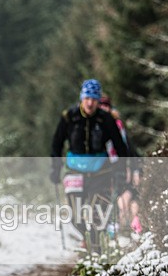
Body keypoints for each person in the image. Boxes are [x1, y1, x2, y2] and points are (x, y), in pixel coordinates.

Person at [50, 79, 129, 252]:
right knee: (76, 216)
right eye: (87, 98)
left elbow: (120, 147)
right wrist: (55, 167)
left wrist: (121, 171)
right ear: (82, 98)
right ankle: (88, 238)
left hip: (100, 172)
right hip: (74, 171)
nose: (90, 102)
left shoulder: (106, 119)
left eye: (94, 99)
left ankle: (95, 245)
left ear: (98, 100)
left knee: (98, 215)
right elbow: (57, 143)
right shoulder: (69, 117)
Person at [99, 95, 143, 235]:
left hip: (122, 168)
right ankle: (119, 231)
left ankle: (129, 230)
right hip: (104, 170)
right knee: (118, 201)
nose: (104, 108)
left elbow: (129, 148)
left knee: (128, 199)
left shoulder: (118, 125)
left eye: (106, 105)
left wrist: (135, 169)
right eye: (101, 105)